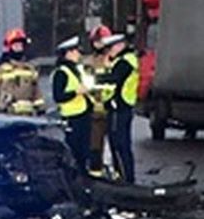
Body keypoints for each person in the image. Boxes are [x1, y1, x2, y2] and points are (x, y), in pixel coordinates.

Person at [52, 35, 95, 172]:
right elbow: (58, 97)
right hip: (72, 117)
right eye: (76, 51)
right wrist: (76, 92)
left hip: (84, 114)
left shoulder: (77, 69)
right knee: (75, 151)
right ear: (68, 53)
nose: (79, 54)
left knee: (84, 151)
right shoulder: (61, 73)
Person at [101, 37, 140, 184]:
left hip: (119, 108)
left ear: (120, 45)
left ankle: (124, 179)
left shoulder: (124, 62)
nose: (109, 51)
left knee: (119, 145)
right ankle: (125, 177)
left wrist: (95, 79)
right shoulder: (125, 60)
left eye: (111, 48)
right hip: (121, 107)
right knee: (121, 145)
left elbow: (113, 79)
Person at [0, 28, 43, 115]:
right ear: (9, 47)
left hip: (28, 116)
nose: (18, 48)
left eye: (20, 45)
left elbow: (37, 91)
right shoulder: (0, 69)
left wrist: (40, 107)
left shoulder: (30, 69)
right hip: (7, 115)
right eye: (15, 45)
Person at [86, 25, 119, 175]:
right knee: (95, 146)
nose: (99, 44)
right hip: (94, 110)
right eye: (96, 41)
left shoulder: (114, 60)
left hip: (112, 109)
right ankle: (96, 175)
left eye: (102, 41)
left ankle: (117, 176)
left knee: (116, 145)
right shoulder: (87, 62)